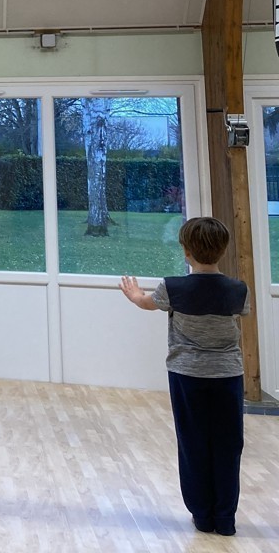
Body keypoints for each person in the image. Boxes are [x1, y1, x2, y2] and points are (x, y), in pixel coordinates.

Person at [120, 216, 251, 536]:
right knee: (228, 444)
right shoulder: (238, 290)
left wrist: (134, 293)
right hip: (227, 377)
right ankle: (225, 517)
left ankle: (202, 515)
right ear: (222, 251)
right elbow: (238, 317)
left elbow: (146, 304)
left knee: (193, 442)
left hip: (187, 376)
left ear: (186, 252)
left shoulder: (172, 287)